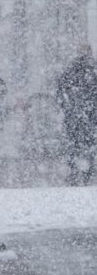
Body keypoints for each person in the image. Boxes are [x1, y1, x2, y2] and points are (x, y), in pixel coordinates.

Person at [55, 44, 97, 186]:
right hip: (89, 115)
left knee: (74, 145)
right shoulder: (93, 70)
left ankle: (74, 173)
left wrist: (66, 108)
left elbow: (61, 91)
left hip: (75, 115)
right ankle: (87, 173)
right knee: (90, 145)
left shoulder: (70, 70)